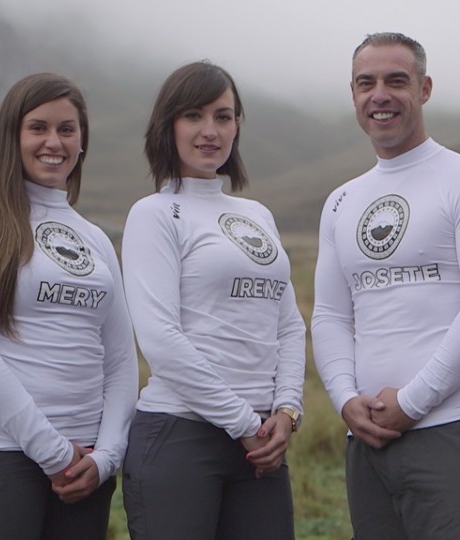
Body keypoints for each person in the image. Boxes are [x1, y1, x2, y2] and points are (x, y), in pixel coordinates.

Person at [311, 32, 460, 539]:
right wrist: (345, 399)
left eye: (396, 81)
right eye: (366, 83)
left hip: (452, 431)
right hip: (368, 441)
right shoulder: (340, 202)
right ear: (353, 94)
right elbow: (331, 314)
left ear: (424, 89)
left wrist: (412, 403)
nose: (379, 95)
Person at [0, 72, 139, 540]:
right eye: (38, 128)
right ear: (13, 136)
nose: (54, 142)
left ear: (82, 141)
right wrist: (53, 452)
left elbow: (121, 359)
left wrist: (107, 456)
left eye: (67, 129)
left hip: (85, 468)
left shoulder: (95, 239)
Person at [121, 61, 306, 540]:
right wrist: (244, 423)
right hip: (181, 436)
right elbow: (160, 340)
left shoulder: (257, 213)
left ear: (237, 126)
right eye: (194, 116)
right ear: (168, 126)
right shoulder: (154, 214)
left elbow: (287, 323)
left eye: (223, 117)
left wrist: (286, 410)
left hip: (261, 444)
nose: (211, 131)